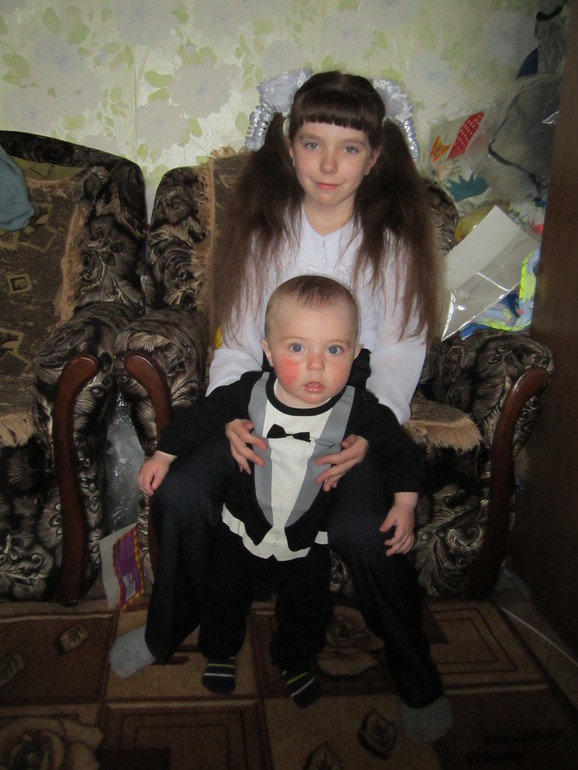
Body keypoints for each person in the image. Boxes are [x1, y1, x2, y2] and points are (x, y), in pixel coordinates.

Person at [111, 70, 452, 741]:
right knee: (182, 492)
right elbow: (239, 343)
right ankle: (167, 626)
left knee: (366, 532)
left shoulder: (391, 241)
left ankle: (415, 671)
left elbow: (403, 349)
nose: (328, 165)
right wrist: (236, 419)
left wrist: (364, 431)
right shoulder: (263, 234)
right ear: (288, 147)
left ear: (375, 157)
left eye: (349, 148)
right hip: (261, 395)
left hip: (351, 405)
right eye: (313, 144)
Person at [135, 275, 425, 707]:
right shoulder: (247, 392)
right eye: (297, 348)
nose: (316, 365)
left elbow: (401, 453)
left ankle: (295, 660)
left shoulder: (360, 410)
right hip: (242, 526)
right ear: (268, 352)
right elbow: (198, 418)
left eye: (334, 350)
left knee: (307, 607)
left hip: (308, 537)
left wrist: (404, 503)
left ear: (356, 354)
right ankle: (220, 651)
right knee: (224, 591)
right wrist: (163, 455)